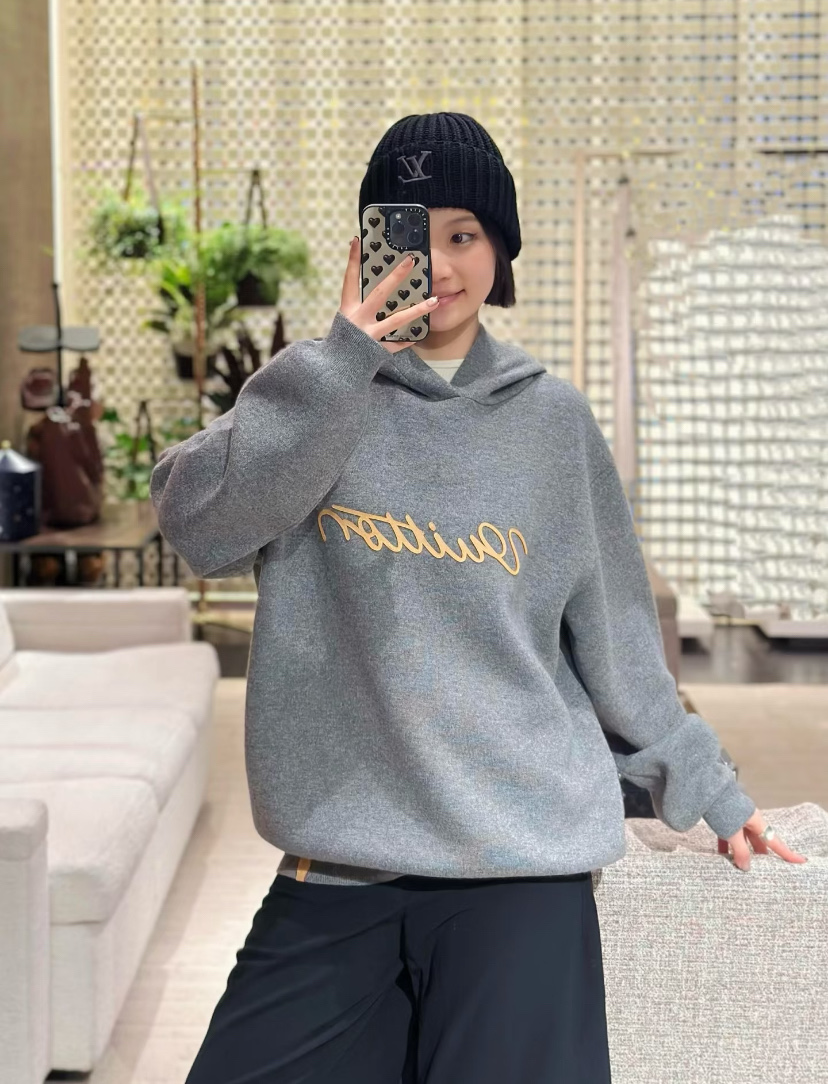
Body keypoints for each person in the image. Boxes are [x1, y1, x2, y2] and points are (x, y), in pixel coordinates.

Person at [150, 112, 807, 1084]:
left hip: (520, 854)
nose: (442, 264)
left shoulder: (553, 423)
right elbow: (197, 526)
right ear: (368, 249)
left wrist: (706, 783)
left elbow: (617, 635)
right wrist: (337, 363)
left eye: (464, 234)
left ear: (501, 249)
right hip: (342, 858)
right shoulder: (315, 401)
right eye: (410, 235)